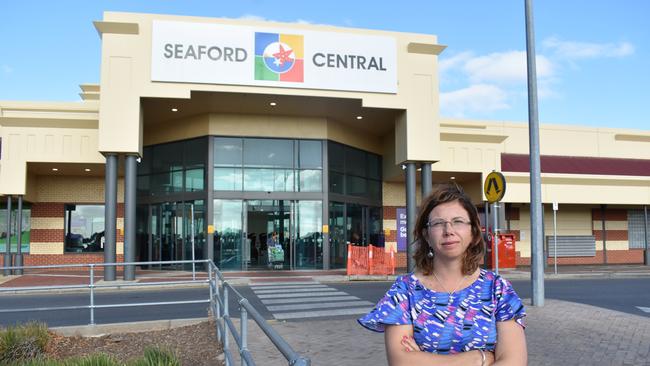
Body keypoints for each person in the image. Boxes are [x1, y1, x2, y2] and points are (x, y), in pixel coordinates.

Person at [358, 183, 527, 366]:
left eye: (458, 221)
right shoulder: (404, 290)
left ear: (474, 233)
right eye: (438, 223)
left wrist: (425, 360)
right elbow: (401, 362)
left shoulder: (498, 289)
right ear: (426, 235)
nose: (448, 231)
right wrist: (478, 358)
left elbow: (514, 361)